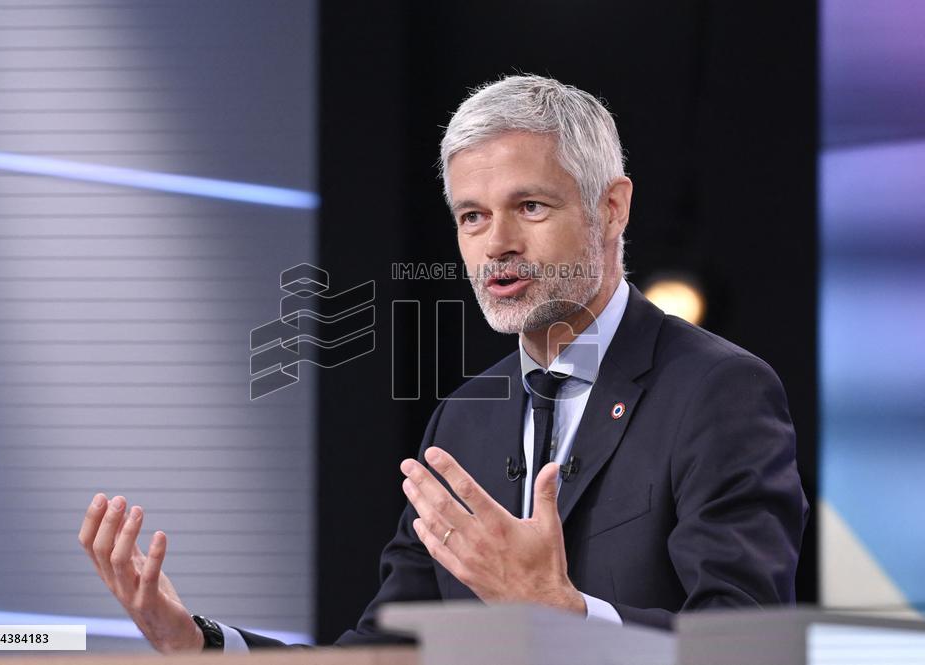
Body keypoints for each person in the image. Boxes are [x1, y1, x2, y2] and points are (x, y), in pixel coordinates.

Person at [77, 74, 809, 653]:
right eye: (472, 216)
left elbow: (743, 644)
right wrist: (203, 644)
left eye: (529, 206)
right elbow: (384, 651)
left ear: (611, 208)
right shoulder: (463, 421)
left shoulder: (719, 392)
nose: (495, 244)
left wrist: (561, 611)